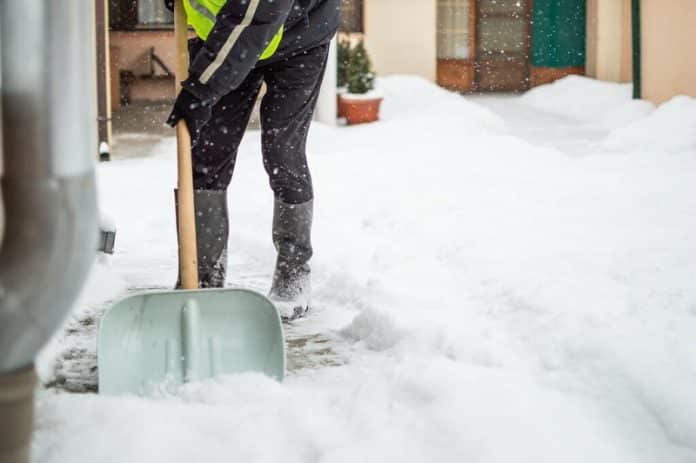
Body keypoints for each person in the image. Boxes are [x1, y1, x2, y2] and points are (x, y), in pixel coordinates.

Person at [165, 0, 340, 320]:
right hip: (224, 34)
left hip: (299, 35)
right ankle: (202, 273)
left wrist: (201, 89)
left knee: (282, 152)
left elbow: (257, 15)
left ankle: (293, 271)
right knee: (206, 155)